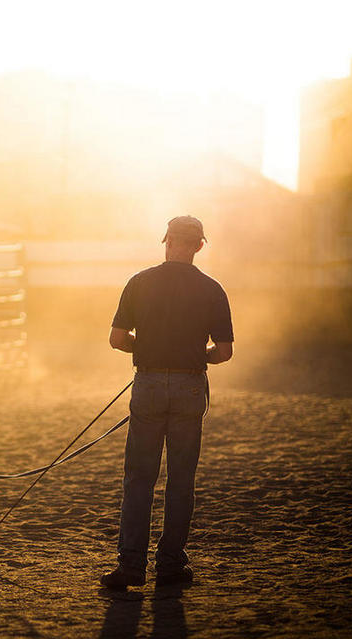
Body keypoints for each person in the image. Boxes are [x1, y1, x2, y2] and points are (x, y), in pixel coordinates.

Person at [101, 215, 233, 590]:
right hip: (191, 386)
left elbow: (116, 338)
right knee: (181, 480)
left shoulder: (139, 283)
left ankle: (131, 566)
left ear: (166, 241)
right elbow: (223, 352)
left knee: (139, 478)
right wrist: (196, 355)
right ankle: (171, 564)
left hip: (149, 384)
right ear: (199, 246)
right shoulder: (212, 289)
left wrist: (142, 347)